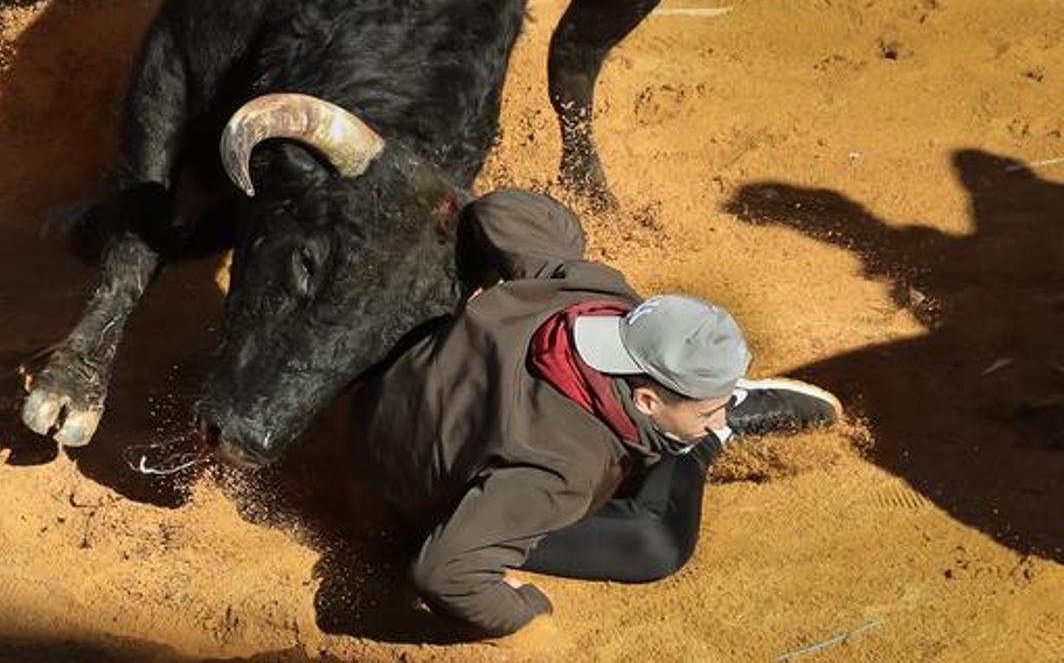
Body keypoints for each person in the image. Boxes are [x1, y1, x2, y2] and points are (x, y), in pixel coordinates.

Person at [352, 190, 842, 637]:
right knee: (655, 542)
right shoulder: (566, 468)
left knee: (663, 438)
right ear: (647, 399)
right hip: (410, 498)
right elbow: (443, 572)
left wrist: (551, 247)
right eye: (711, 409)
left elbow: (497, 211)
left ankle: (694, 423)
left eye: (717, 407)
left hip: (387, 402)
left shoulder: (587, 293)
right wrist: (523, 610)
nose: (711, 415)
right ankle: (714, 444)